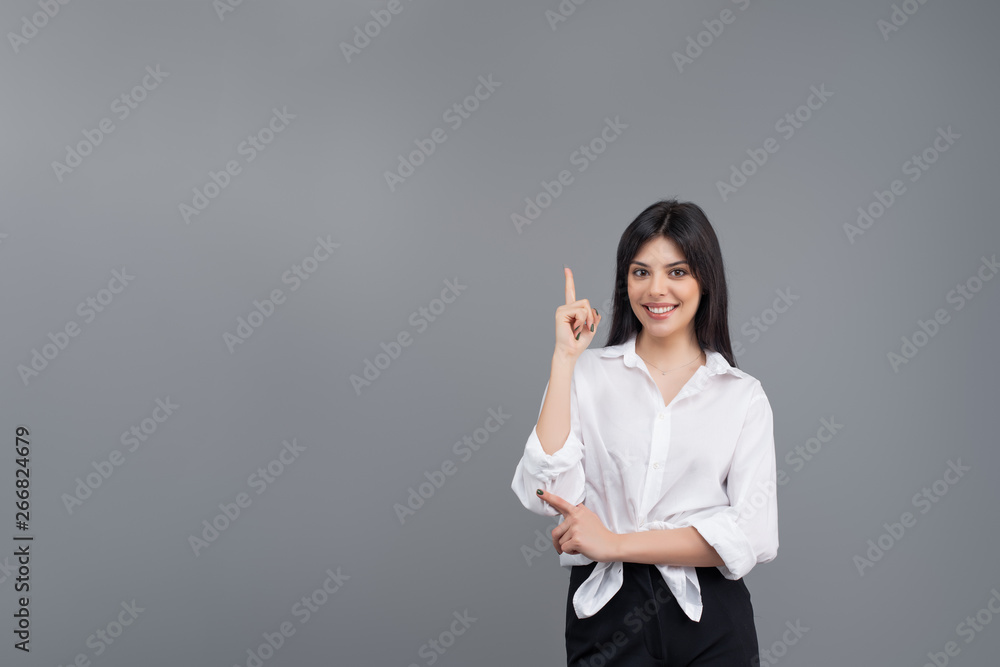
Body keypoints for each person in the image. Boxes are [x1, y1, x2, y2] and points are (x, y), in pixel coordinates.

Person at [510, 199, 779, 666]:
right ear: (625, 280)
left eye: (678, 272)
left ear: (705, 281)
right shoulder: (587, 374)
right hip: (608, 612)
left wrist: (615, 543)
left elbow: (754, 534)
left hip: (710, 615)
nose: (657, 290)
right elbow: (545, 493)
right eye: (641, 272)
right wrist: (564, 360)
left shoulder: (742, 396)